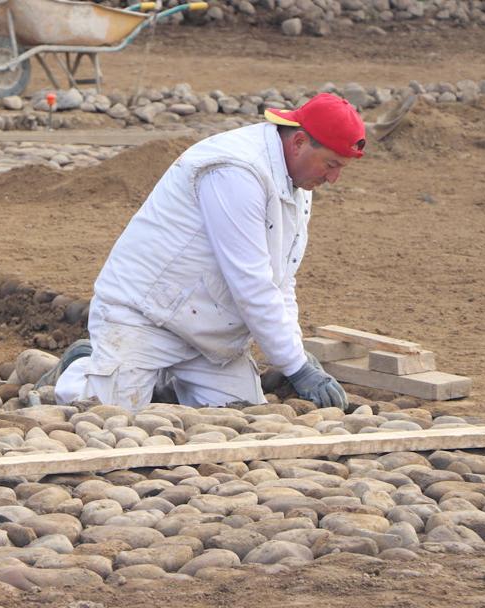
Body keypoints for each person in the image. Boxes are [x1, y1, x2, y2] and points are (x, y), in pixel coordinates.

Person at [49, 93, 366, 412]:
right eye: (331, 164)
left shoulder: (297, 182)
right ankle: (81, 367)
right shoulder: (237, 171)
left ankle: (159, 384)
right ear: (298, 142)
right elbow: (251, 282)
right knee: (106, 413)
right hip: (147, 316)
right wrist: (297, 368)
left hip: (212, 337)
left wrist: (295, 354)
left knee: (241, 417)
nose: (334, 178)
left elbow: (280, 280)